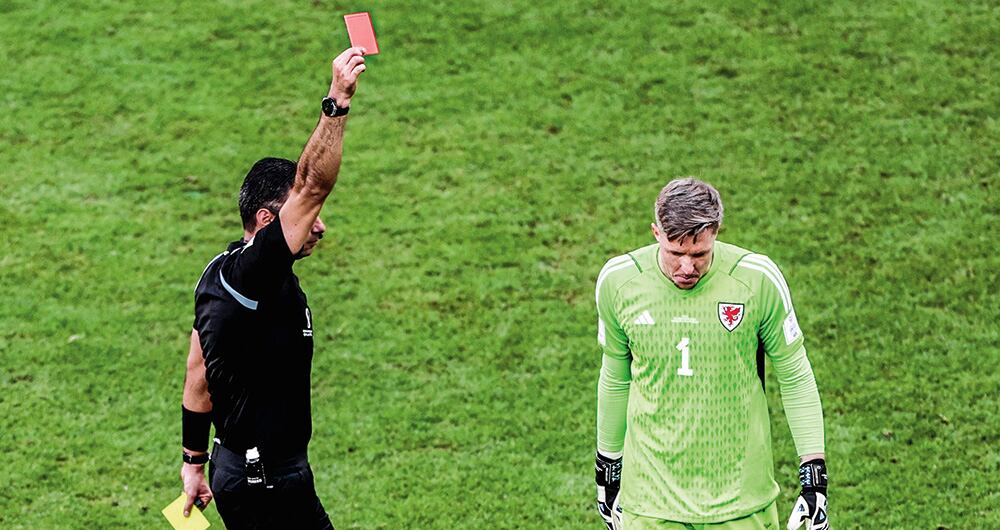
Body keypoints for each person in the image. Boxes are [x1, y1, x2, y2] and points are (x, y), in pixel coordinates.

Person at [178, 46, 368, 529]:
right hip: (267, 481)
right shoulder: (253, 273)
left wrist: (194, 460)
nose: (319, 226)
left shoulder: (218, 272)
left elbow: (199, 369)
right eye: (304, 219)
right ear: (267, 221)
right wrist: (337, 100)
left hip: (240, 470)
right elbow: (310, 185)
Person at [594, 178, 829, 530]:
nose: (687, 268)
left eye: (699, 254)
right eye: (676, 253)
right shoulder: (619, 282)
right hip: (650, 503)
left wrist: (814, 477)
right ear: (656, 232)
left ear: (716, 232)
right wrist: (607, 467)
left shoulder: (757, 280)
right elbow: (615, 375)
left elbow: (794, 373)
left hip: (740, 501)